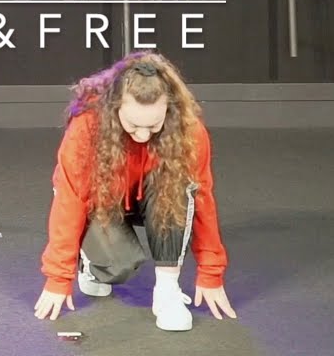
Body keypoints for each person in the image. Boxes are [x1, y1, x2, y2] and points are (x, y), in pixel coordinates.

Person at [34, 52, 237, 331]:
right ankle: (90, 264)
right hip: (103, 200)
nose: (143, 135)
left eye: (154, 125)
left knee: (178, 185)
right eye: (133, 125)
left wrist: (211, 271)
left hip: (153, 197)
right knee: (118, 267)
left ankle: (167, 292)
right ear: (114, 106)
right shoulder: (87, 126)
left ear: (170, 108)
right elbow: (70, 199)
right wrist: (58, 278)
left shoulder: (189, 131)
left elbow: (201, 199)